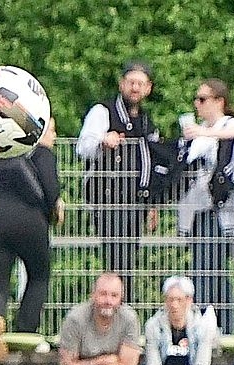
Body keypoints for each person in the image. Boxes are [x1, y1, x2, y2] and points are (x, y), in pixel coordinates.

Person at [76, 60, 164, 294]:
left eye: (140, 84)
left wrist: (152, 204)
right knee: (116, 259)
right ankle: (116, 304)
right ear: (121, 84)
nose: (135, 88)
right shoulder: (103, 111)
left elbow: (152, 161)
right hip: (108, 199)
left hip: (137, 201)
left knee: (128, 260)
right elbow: (82, 147)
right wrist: (103, 141)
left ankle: (122, 305)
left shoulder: (147, 120)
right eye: (131, 82)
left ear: (148, 88)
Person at [0, 125, 61, 360]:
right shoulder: (40, 152)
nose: (54, 136)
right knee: (39, 276)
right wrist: (55, 208)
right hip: (28, 220)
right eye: (51, 130)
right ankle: (25, 333)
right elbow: (51, 191)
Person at [178, 80, 234, 333]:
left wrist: (205, 133)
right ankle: (208, 325)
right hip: (198, 210)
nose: (197, 104)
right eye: (196, 99)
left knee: (213, 270)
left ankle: (225, 326)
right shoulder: (199, 132)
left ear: (219, 101)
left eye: (203, 99)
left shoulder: (227, 125)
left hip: (223, 211)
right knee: (204, 269)